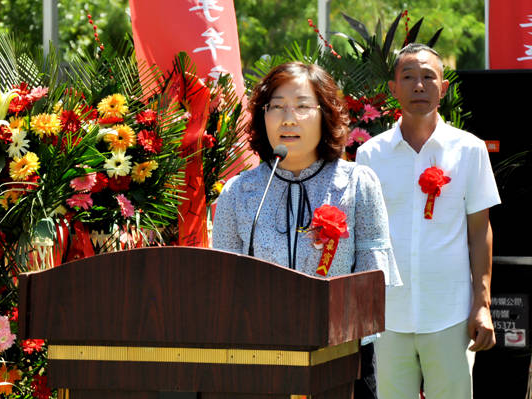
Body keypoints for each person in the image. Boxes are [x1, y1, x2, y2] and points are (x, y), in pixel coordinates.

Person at [212, 61, 401, 399]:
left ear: (324, 114)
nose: (288, 119)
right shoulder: (238, 192)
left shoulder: (357, 183)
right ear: (262, 117)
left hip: (341, 362)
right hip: (258, 362)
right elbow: (220, 284)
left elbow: (374, 279)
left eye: (302, 106)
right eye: (277, 107)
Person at [356, 43, 501, 399]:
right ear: (393, 88)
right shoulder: (369, 155)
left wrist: (482, 305)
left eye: (428, 77)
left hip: (451, 314)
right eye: (408, 77)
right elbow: (362, 235)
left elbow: (479, 229)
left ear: (444, 87)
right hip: (389, 316)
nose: (418, 86)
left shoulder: (469, 149)